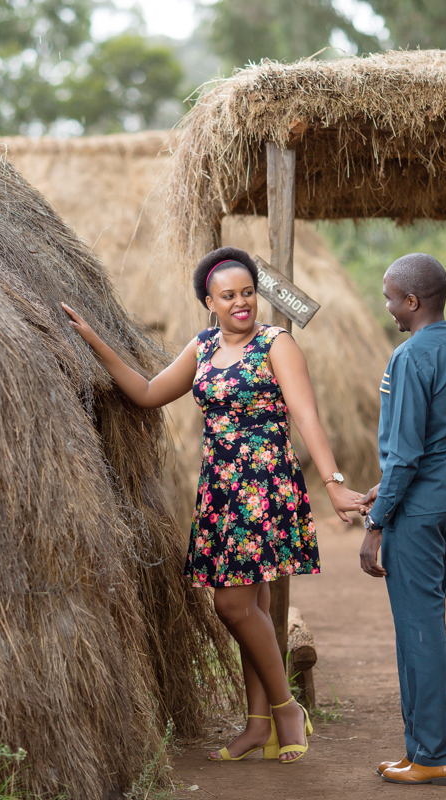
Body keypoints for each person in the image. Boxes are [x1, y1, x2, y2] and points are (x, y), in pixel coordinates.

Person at [62, 246, 363, 764]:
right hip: (221, 490)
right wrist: (92, 341)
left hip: (263, 485)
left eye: (248, 292)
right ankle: (257, 724)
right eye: (230, 296)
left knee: (231, 604)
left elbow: (305, 413)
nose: (242, 303)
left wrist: (332, 481)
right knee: (254, 607)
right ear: (210, 301)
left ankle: (288, 708)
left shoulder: (276, 342)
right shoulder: (202, 347)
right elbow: (150, 391)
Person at [357, 253, 446, 786]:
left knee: (419, 632)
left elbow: (406, 453)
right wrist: (389, 486)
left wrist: (375, 523)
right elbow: (444, 437)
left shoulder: (409, 357)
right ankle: (421, 750)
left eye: (390, 297)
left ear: (412, 301)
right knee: (424, 624)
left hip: (420, 511)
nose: (387, 307)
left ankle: (435, 754)